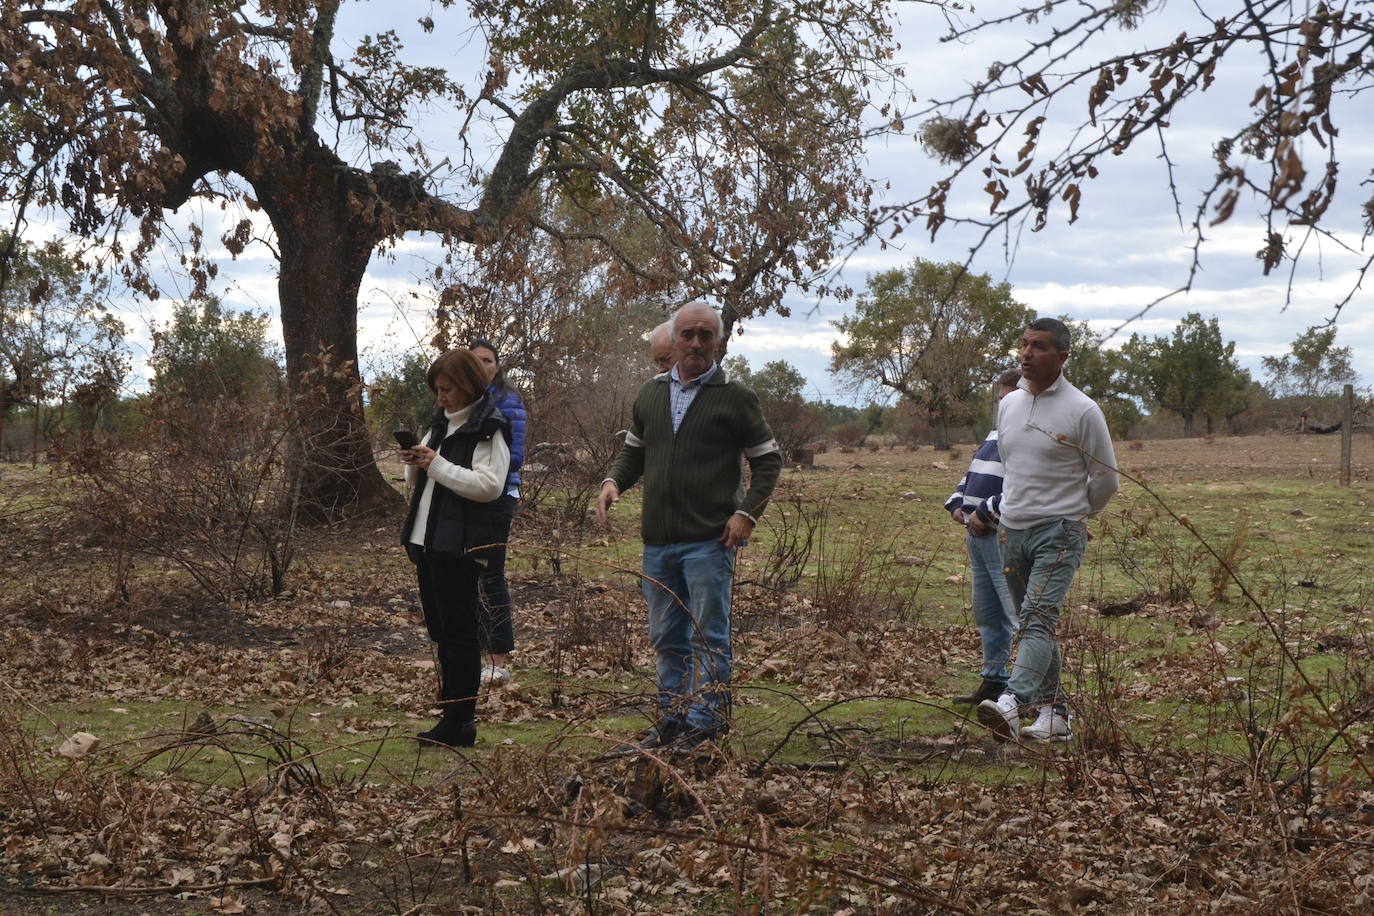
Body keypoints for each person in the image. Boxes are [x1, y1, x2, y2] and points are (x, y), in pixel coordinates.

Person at [596, 302, 782, 752]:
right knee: (665, 636)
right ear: (674, 340)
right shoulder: (650, 394)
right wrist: (612, 481)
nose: (696, 343)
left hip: (708, 542)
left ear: (718, 341)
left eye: (705, 335)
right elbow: (634, 451)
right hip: (658, 543)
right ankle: (672, 719)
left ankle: (706, 723)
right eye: (688, 335)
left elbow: (768, 460)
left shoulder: (735, 396)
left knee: (707, 635)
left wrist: (746, 513)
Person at [974, 318, 1119, 743]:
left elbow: (1106, 479)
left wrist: (1074, 516)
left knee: (1036, 619)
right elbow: (1011, 465)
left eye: (1037, 347)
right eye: (1023, 345)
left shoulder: (1083, 410)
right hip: (1012, 530)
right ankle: (1055, 714)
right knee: (1035, 623)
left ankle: (1013, 702)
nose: (1025, 354)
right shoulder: (1010, 404)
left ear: (1062, 356)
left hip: (1060, 532)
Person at [398, 349, 512, 748]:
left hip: (460, 547)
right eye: (437, 390)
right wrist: (414, 461)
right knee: (442, 632)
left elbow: (489, 486)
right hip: (428, 543)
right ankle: (451, 715)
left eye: (447, 389)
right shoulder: (439, 424)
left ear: (467, 385)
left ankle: (460, 722)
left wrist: (435, 464)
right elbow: (418, 482)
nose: (441, 397)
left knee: (460, 635)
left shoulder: (489, 428)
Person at [944, 368, 1021, 707]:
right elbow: (973, 472)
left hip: (1002, 536)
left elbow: (1024, 487)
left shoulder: (1025, 434)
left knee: (1018, 615)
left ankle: (1026, 693)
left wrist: (986, 513)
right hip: (976, 534)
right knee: (988, 615)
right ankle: (994, 682)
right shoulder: (995, 432)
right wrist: (958, 502)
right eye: (1000, 400)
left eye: (1010, 399)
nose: (1003, 406)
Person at [468, 339, 526, 686]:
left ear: (497, 367)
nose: (482, 366)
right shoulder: (460, 399)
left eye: (488, 360)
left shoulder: (508, 402)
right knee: (463, 576)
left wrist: (473, 462)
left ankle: (497, 659)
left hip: (499, 496)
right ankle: (468, 655)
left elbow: (514, 457)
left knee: (491, 575)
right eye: (475, 360)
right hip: (461, 494)